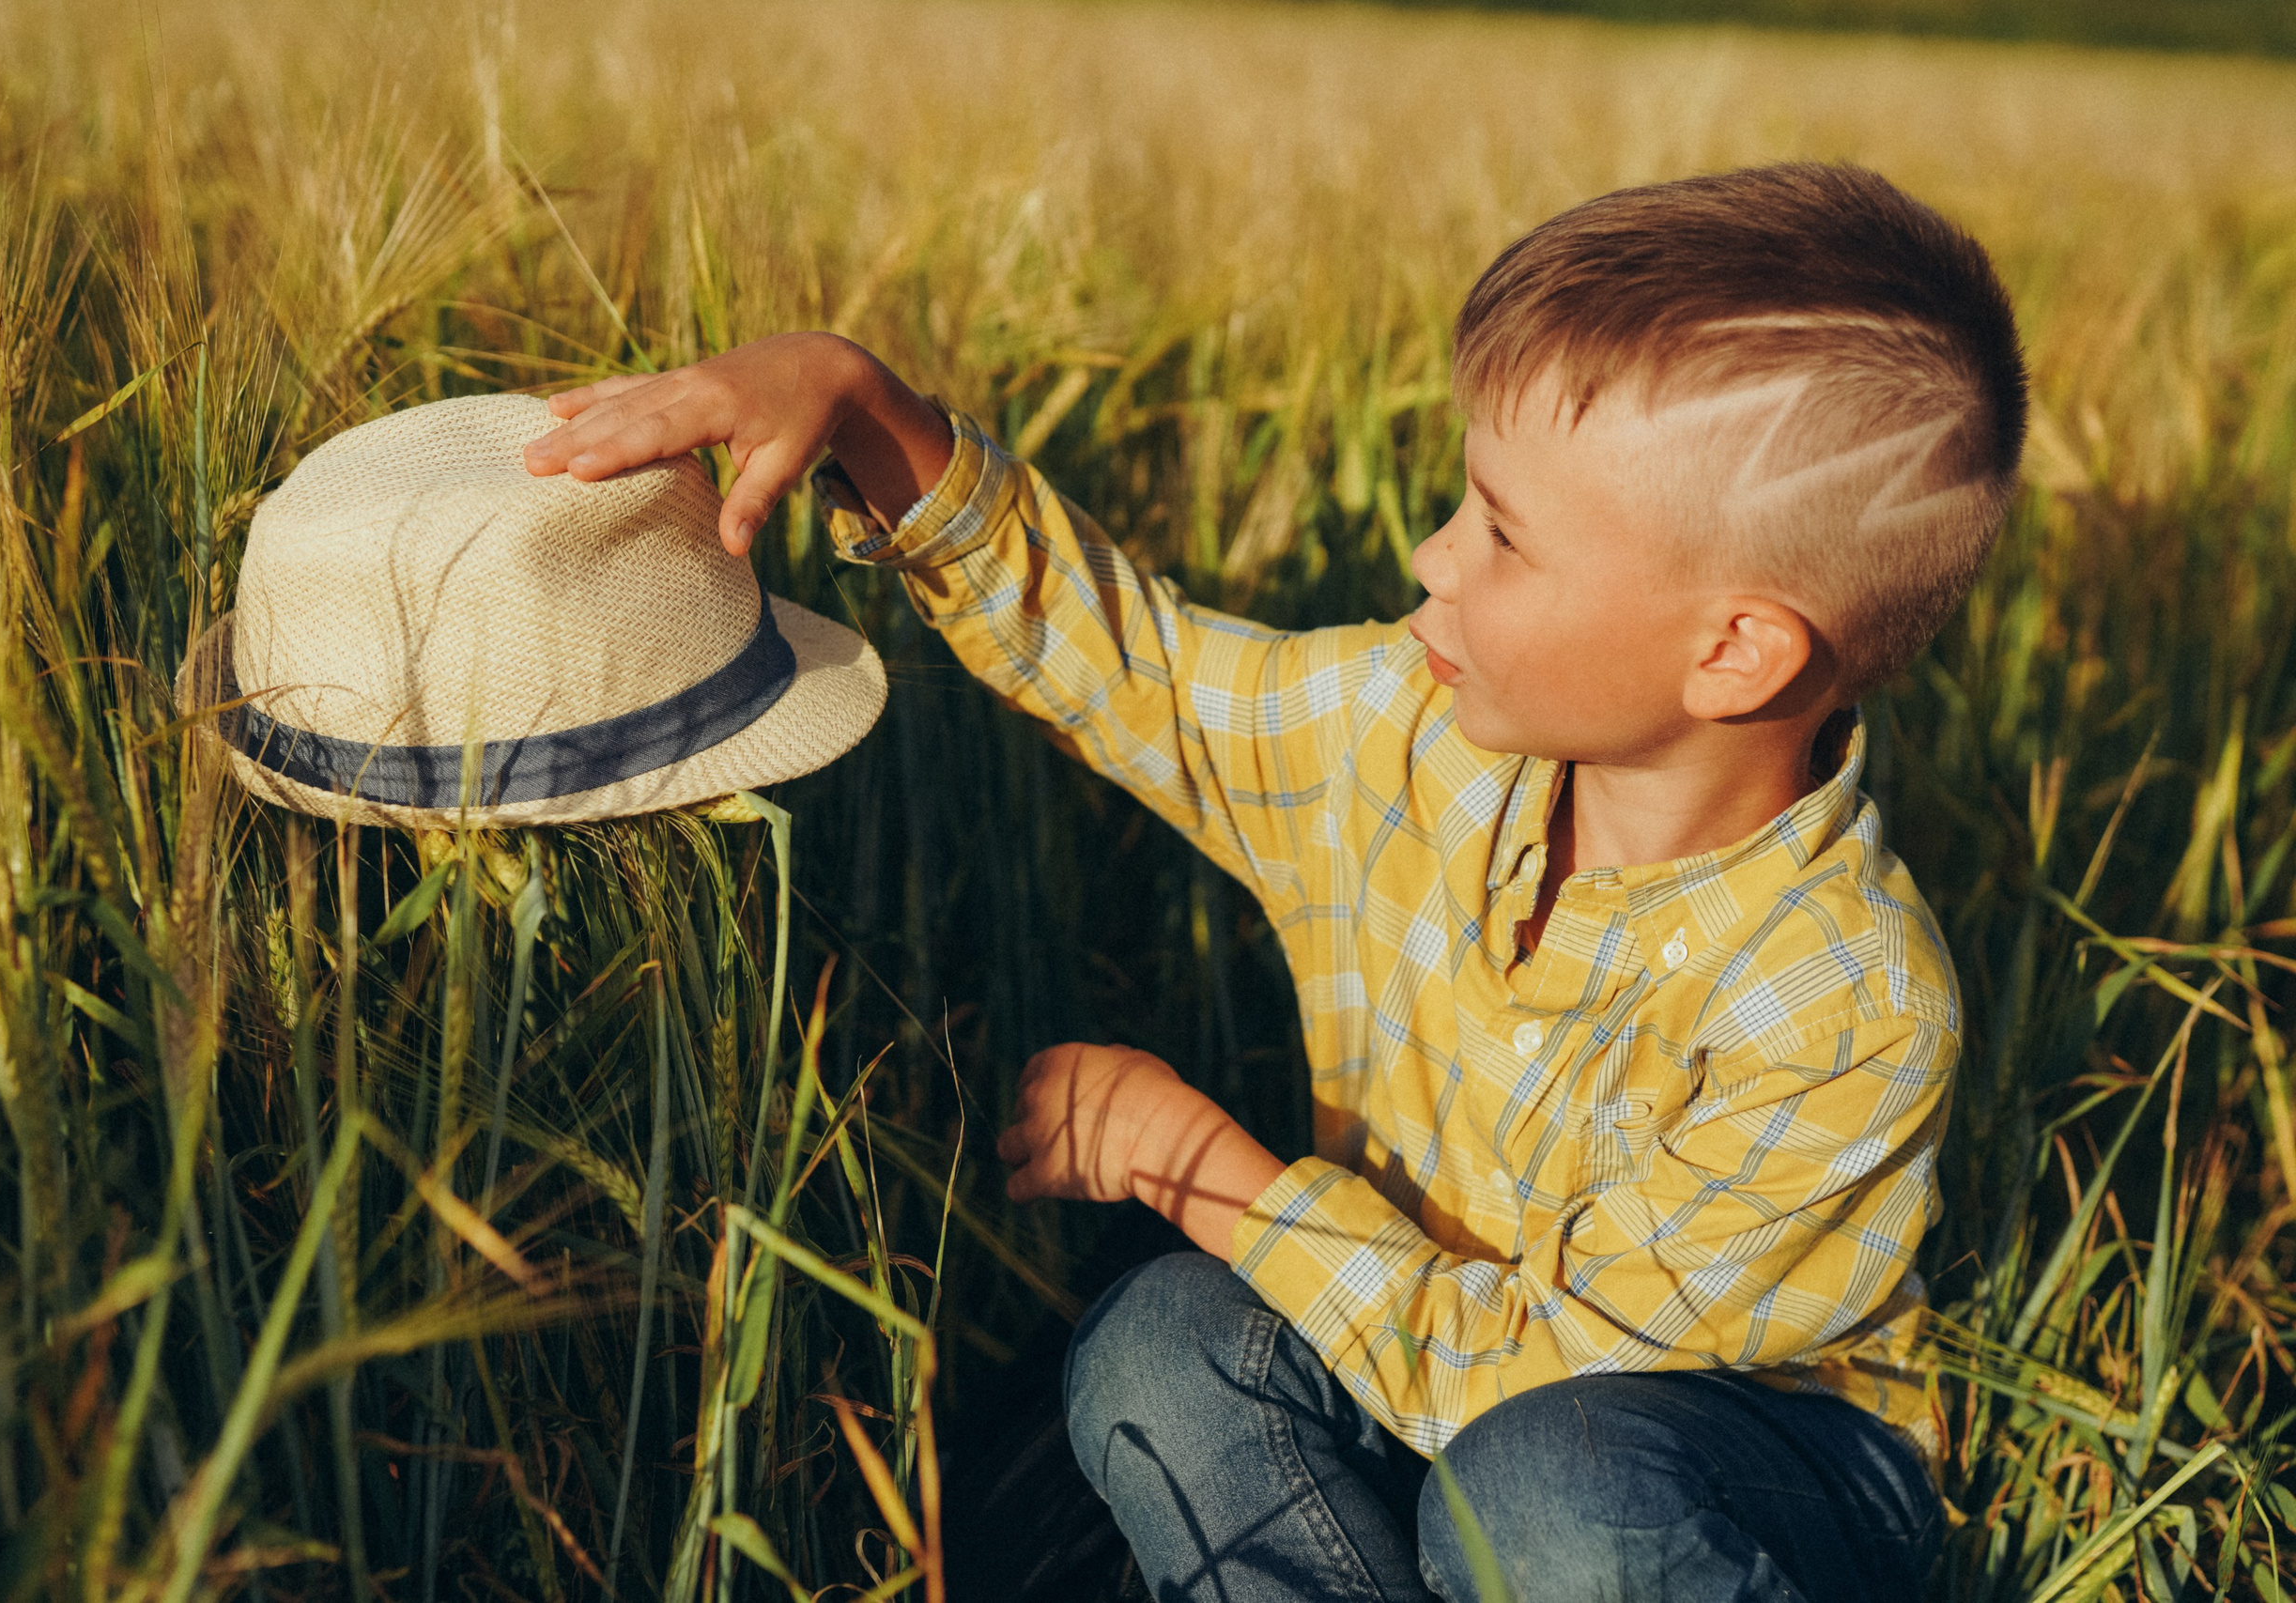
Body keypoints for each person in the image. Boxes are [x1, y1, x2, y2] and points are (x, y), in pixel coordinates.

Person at [522, 162, 2026, 1603]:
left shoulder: (1843, 1005)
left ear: (1735, 653)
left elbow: (1535, 1373)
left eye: (1503, 536)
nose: (1433, 560)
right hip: (1421, 1364)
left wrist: (1216, 1174)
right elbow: (1148, 677)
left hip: (1726, 1464)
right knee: (1158, 1347)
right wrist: (865, 406)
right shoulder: (1412, 731)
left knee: (1544, 1501)